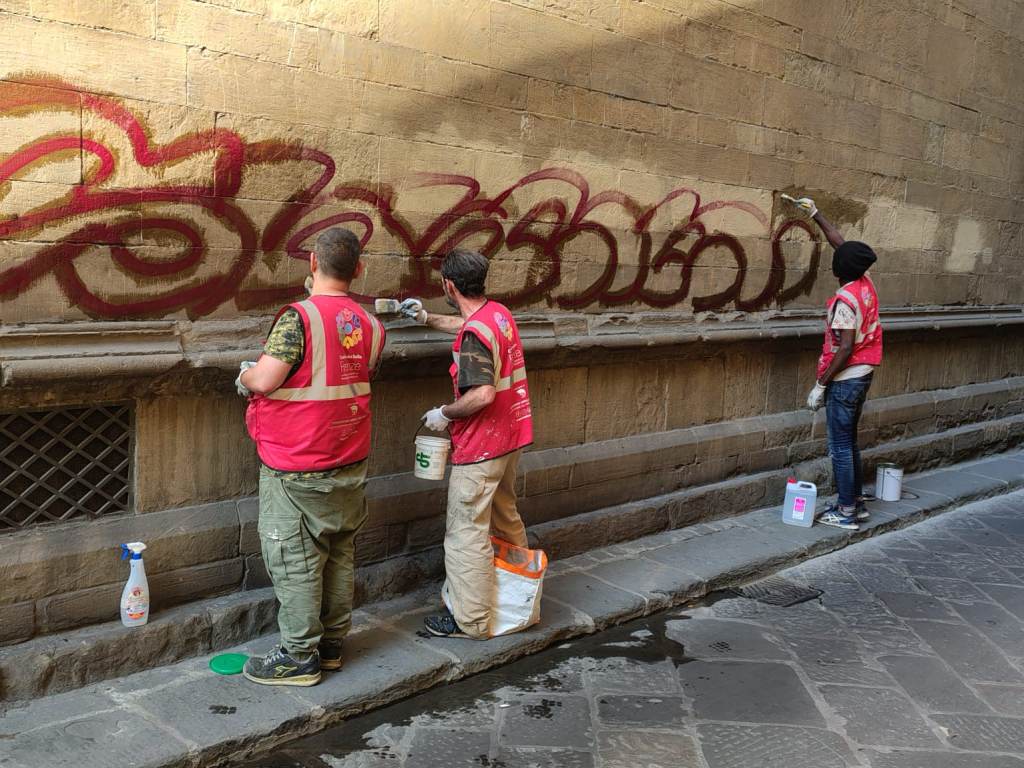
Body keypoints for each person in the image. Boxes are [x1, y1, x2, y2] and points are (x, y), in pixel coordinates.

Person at [235, 227, 386, 686]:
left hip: (298, 464)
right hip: (349, 460)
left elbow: (266, 380)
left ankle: (299, 656)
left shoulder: (299, 318)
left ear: (313, 265)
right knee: (339, 553)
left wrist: (246, 374)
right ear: (358, 269)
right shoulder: (371, 325)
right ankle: (332, 645)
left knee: (295, 559)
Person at [399, 249, 534, 639]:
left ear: (449, 285)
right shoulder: (497, 314)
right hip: (512, 437)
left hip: (482, 446)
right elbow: (467, 325)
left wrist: (445, 413)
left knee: (465, 533)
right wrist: (424, 317)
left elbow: (482, 394)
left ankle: (470, 620)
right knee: (506, 519)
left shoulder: (476, 332)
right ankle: (521, 600)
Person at [788, 196, 883, 532]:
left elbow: (844, 348)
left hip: (845, 379)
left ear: (839, 269)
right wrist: (816, 214)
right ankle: (854, 502)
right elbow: (840, 243)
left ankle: (845, 511)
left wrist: (821, 385)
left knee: (839, 446)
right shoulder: (865, 283)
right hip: (864, 373)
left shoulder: (846, 300)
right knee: (849, 441)